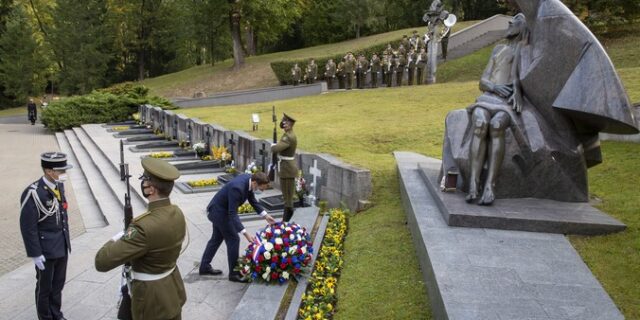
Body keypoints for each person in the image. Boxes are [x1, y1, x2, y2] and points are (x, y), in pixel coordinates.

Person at [95, 158, 186, 319]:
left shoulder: (143, 227)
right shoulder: (176, 212)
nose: (142, 183)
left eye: (144, 180)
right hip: (173, 288)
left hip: (152, 300)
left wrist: (119, 237)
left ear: (151, 190)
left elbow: (101, 262)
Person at [20, 152, 73, 320]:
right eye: (61, 170)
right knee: (45, 288)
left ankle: (56, 314)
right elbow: (28, 227)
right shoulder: (33, 193)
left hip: (61, 245)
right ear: (49, 171)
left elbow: (62, 214)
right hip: (46, 249)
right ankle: (45, 317)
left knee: (58, 285)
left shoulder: (58, 186)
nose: (64, 173)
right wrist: (35, 254)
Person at [199, 172, 276, 282]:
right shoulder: (237, 188)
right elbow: (232, 213)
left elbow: (252, 200)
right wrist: (245, 233)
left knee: (216, 239)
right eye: (262, 188)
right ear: (255, 183)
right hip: (219, 212)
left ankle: (204, 267)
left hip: (220, 210)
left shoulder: (250, 180)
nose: (262, 191)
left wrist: (266, 215)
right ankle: (234, 274)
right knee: (234, 239)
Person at [271, 113, 298, 222]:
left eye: (286, 122)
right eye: (283, 122)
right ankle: (286, 218)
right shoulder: (287, 134)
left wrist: (273, 146)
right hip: (286, 168)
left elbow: (276, 149)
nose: (283, 124)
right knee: (286, 195)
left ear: (291, 124)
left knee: (288, 197)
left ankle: (287, 219)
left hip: (287, 170)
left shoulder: (288, 136)